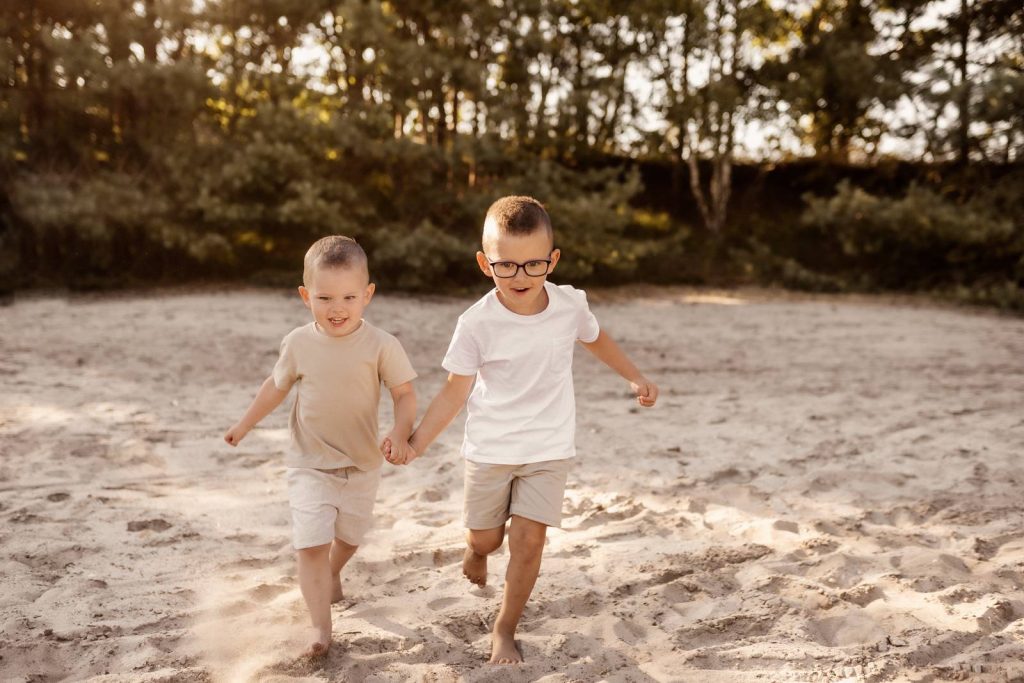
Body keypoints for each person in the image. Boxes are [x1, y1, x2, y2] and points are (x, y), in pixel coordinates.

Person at [385, 196, 658, 664]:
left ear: (552, 260)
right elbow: (454, 392)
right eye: (505, 266)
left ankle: (504, 628)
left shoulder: (570, 305)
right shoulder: (476, 323)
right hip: (490, 449)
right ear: (483, 264)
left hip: (549, 447)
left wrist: (634, 375)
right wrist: (416, 444)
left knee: (529, 542)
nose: (519, 277)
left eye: (533, 264)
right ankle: (475, 553)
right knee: (487, 539)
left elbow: (596, 339)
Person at [224, 235, 417, 658]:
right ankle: (319, 627)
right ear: (304, 295)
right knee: (310, 543)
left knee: (348, 539)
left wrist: (400, 433)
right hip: (309, 462)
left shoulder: (382, 345)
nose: (337, 308)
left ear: (368, 295)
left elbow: (404, 394)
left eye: (349, 296)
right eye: (325, 297)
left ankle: (333, 571)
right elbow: (274, 389)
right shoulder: (297, 343)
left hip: (362, 464)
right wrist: (244, 425)